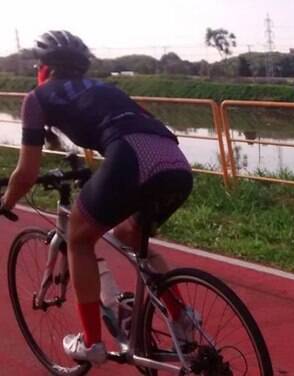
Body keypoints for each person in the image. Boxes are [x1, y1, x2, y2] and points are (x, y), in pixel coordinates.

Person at [0, 30, 194, 364]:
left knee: (78, 239)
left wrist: (7, 201)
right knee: (128, 233)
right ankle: (182, 317)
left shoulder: (38, 96)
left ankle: (92, 344)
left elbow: (27, 171)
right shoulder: (107, 88)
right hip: (175, 161)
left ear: (43, 67)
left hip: (131, 158)